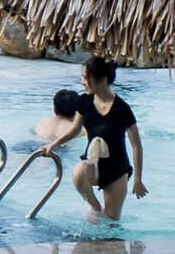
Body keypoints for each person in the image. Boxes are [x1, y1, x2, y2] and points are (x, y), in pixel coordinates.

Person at [32, 56, 145, 222]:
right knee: (78, 173)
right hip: (92, 165)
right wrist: (53, 144)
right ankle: (95, 207)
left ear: (102, 80)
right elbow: (74, 129)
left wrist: (138, 180)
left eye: (86, 77)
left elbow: (136, 145)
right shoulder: (83, 101)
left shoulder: (122, 109)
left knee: (111, 223)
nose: (82, 82)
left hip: (116, 170)